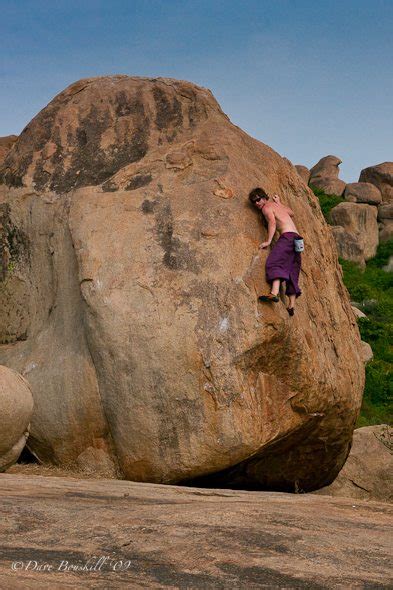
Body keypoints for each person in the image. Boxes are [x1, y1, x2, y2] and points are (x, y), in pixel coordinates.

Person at [249, 187, 303, 316]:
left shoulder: (266, 208)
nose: (257, 203)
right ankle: (291, 305)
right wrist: (279, 203)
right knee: (292, 269)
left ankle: (274, 293)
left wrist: (268, 241)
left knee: (274, 262)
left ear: (264, 197)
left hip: (288, 236)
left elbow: (272, 223)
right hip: (298, 239)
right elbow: (291, 212)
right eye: (254, 202)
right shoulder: (275, 205)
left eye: (258, 199)